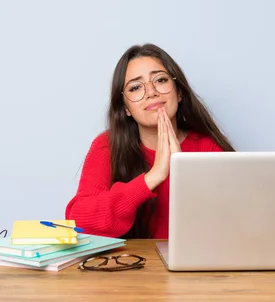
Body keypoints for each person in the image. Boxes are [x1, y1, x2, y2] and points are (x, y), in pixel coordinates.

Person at [65, 43, 235, 239]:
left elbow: (239, 221)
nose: (151, 92)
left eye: (160, 80)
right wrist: (153, 177)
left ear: (179, 93)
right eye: (136, 87)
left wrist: (185, 173)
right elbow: (80, 223)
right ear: (126, 108)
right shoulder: (107, 146)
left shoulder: (206, 148)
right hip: (131, 266)